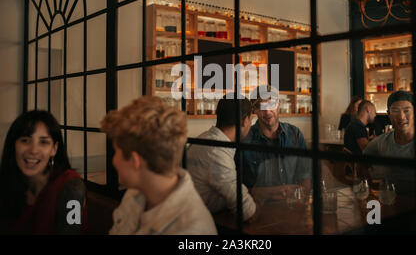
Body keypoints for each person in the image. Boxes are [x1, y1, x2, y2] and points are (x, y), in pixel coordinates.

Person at [102, 96, 217, 235]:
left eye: (116, 152)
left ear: (135, 161)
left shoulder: (191, 230)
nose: (114, 160)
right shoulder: (134, 195)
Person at [0, 110, 86, 234]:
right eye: (25, 140)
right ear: (14, 145)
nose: (33, 150)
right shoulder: (8, 183)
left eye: (43, 142)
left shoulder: (72, 187)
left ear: (54, 149)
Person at [186, 96, 259, 222]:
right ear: (245, 121)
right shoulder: (217, 151)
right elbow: (247, 211)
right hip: (196, 225)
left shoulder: (205, 139)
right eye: (251, 119)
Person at [364, 91, 416, 195]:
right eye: (395, 111)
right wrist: (371, 189)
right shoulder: (380, 142)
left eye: (406, 110)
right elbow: (361, 163)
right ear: (388, 114)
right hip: (396, 206)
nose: (401, 117)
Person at [240, 85, 311, 201]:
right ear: (254, 110)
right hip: (258, 209)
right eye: (261, 107)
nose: (267, 112)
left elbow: (305, 175)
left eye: (270, 104)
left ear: (278, 104)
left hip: (293, 205)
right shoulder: (245, 140)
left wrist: (301, 198)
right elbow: (240, 188)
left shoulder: (295, 134)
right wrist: (275, 192)